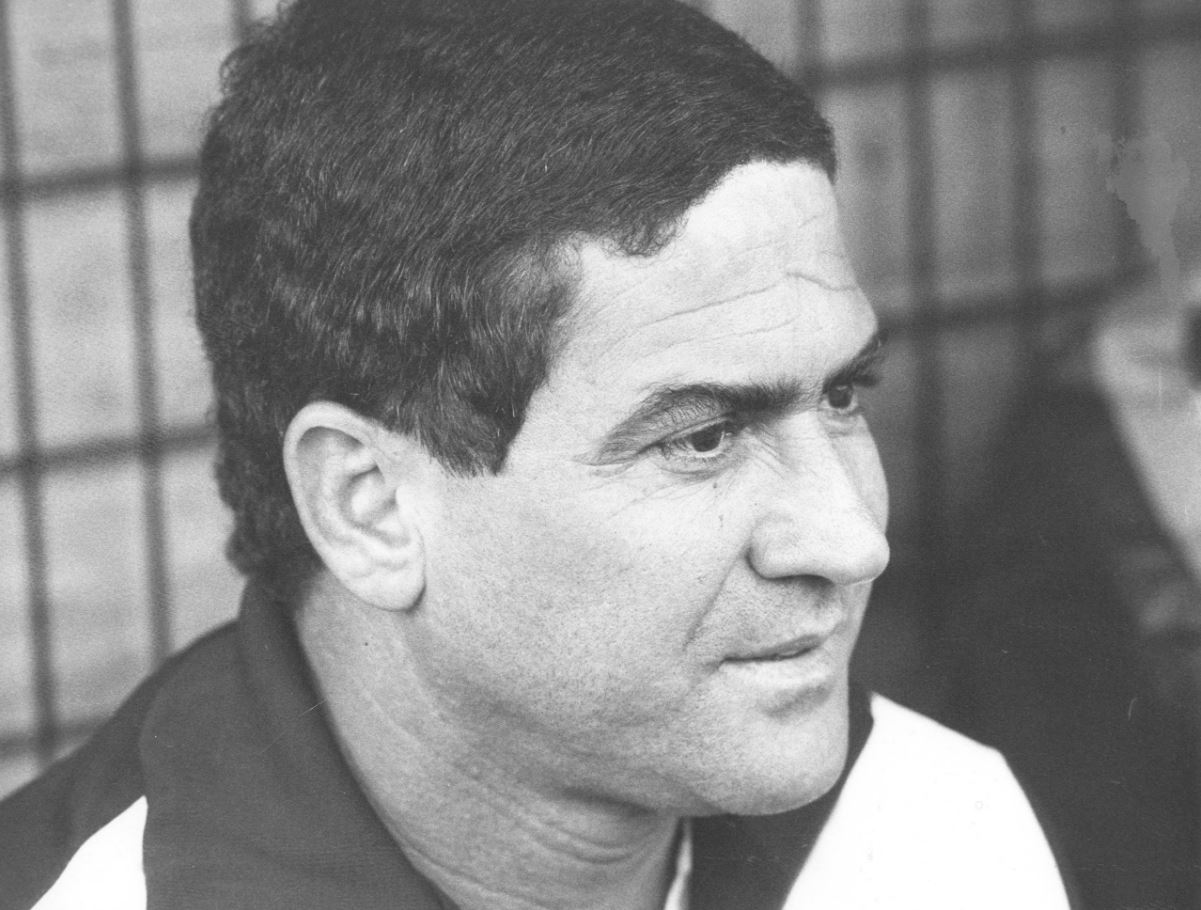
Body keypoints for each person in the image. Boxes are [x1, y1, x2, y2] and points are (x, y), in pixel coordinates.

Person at [0, 1, 1073, 907]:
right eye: (701, 438)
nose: (850, 538)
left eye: (840, 396)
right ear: (369, 504)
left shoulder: (931, 834)